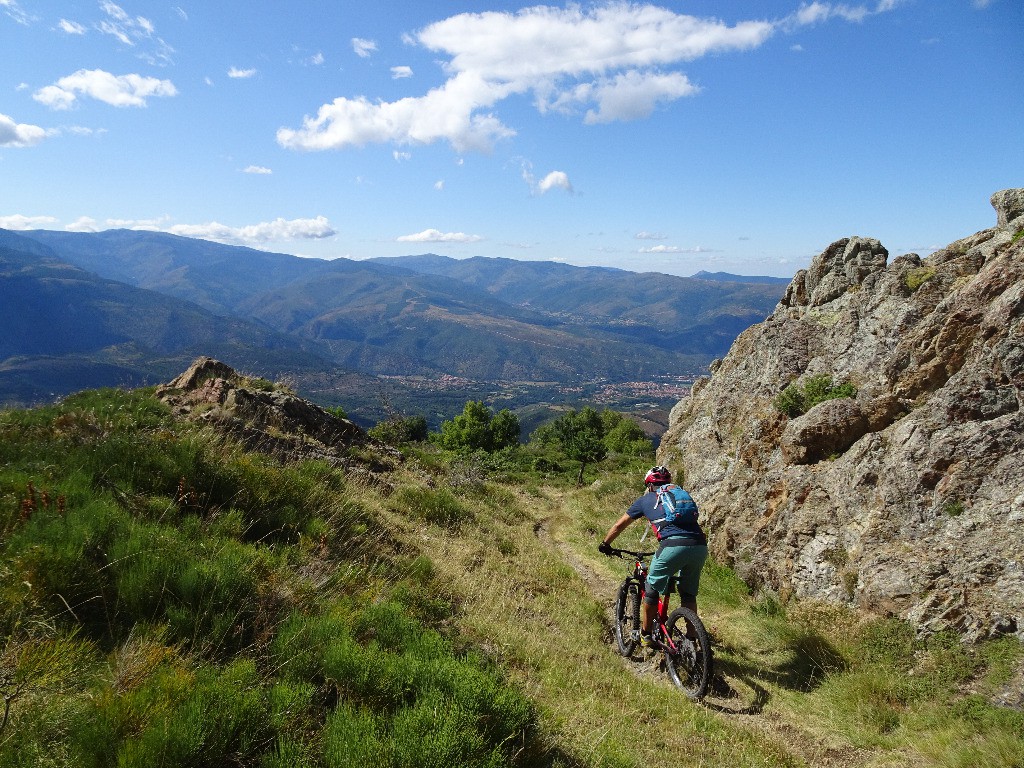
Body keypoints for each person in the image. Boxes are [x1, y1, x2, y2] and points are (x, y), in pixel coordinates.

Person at [598, 465, 708, 650]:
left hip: (672, 546)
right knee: (688, 594)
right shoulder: (680, 496)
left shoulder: (646, 499)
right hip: (699, 546)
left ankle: (646, 635)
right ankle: (691, 640)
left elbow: (619, 525)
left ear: (649, 484)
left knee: (650, 587)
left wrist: (605, 544)